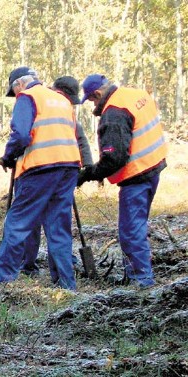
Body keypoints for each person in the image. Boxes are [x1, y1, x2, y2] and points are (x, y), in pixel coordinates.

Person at [0, 66, 81, 290]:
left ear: (18, 85)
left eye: (14, 92)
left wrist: (8, 156)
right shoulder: (62, 99)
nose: (15, 97)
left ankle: (3, 280)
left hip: (40, 168)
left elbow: (21, 134)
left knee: (17, 223)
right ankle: (65, 285)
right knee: (58, 227)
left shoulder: (28, 96)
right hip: (69, 166)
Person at [77, 74, 167, 288]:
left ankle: (141, 280)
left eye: (92, 101)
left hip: (136, 176)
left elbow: (114, 158)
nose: (93, 106)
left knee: (131, 231)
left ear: (98, 94)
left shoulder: (114, 113)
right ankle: (140, 274)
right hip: (154, 167)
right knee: (137, 227)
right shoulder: (136, 94)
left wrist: (88, 174)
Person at [20, 76, 94, 283]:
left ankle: (60, 272)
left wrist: (86, 169)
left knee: (55, 224)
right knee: (38, 223)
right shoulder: (37, 104)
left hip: (60, 171)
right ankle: (29, 265)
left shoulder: (62, 109)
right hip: (37, 171)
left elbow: (80, 138)